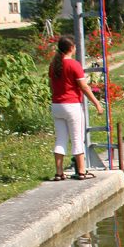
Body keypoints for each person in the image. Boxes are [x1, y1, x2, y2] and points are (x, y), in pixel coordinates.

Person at [49, 35, 103, 181]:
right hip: (71, 106)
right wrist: (97, 103)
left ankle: (59, 173)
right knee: (77, 139)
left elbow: (52, 85)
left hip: (56, 105)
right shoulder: (74, 65)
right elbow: (84, 87)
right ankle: (81, 171)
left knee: (60, 139)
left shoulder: (53, 65)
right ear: (71, 48)